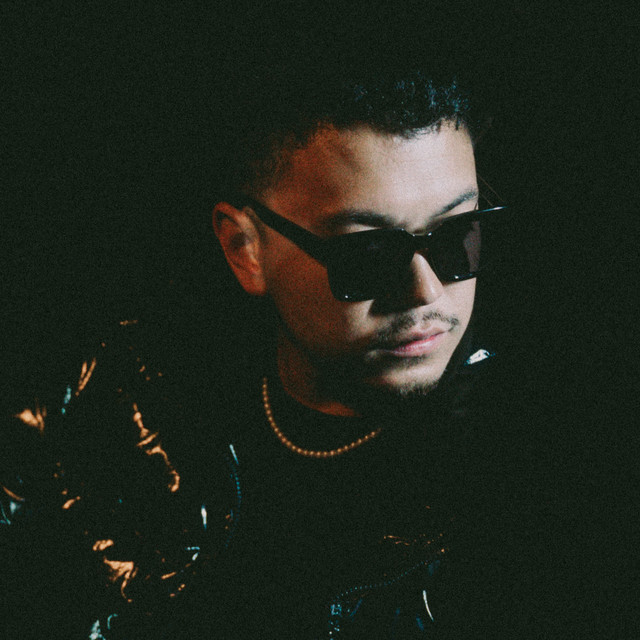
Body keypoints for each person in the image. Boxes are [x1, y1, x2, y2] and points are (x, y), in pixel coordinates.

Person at [2, 64, 520, 639]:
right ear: (244, 248)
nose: (426, 292)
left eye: (458, 235)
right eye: (367, 253)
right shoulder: (111, 397)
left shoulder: (536, 470)